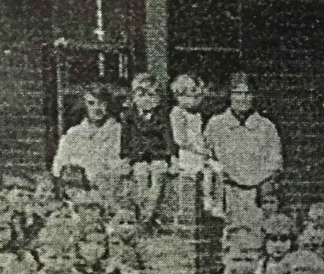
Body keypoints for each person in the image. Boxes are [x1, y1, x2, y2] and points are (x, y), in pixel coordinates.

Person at [204, 73, 283, 224]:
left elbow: (276, 160)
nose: (243, 98)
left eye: (248, 93)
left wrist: (258, 180)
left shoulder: (266, 126)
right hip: (226, 190)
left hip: (258, 191)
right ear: (230, 95)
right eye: (238, 93)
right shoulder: (215, 125)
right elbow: (207, 155)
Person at [52, 85, 128, 206]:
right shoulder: (73, 133)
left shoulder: (119, 131)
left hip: (109, 190)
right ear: (84, 105)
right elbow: (59, 164)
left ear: (108, 105)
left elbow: (122, 163)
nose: (96, 108)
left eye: (101, 103)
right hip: (77, 191)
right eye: (91, 103)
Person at [121, 73, 176, 226]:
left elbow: (167, 136)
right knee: (141, 173)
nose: (146, 99)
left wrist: (173, 157)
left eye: (151, 95)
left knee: (159, 173)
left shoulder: (161, 116)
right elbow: (125, 139)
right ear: (133, 98)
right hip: (138, 155)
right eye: (141, 95)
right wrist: (125, 157)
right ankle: (144, 210)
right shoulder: (129, 117)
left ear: (157, 98)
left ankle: (150, 209)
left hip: (158, 154)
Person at [170, 73, 224, 219]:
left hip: (200, 151)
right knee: (204, 171)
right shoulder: (177, 113)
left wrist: (206, 147)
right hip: (188, 153)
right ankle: (207, 199)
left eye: (197, 97)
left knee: (219, 170)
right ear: (178, 96)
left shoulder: (197, 114)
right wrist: (199, 149)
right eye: (189, 97)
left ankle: (216, 203)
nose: (194, 101)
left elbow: (201, 135)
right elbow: (181, 139)